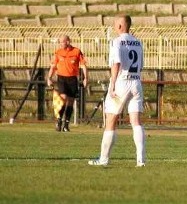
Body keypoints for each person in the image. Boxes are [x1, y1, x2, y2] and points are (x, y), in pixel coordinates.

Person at [89, 15, 146, 167]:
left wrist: (112, 83)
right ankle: (141, 160)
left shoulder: (117, 42)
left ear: (120, 26)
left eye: (115, 24)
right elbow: (141, 66)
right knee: (136, 122)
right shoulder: (138, 42)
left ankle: (103, 159)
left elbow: (117, 63)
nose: (114, 27)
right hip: (136, 82)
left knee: (111, 121)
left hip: (122, 82)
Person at [47, 35, 88, 132]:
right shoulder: (58, 52)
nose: (61, 44)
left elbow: (83, 65)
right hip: (61, 78)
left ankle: (66, 124)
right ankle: (59, 120)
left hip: (73, 79)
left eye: (62, 42)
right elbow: (53, 66)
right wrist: (49, 78)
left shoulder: (77, 51)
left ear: (68, 42)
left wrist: (86, 78)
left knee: (70, 101)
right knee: (63, 99)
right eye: (60, 42)